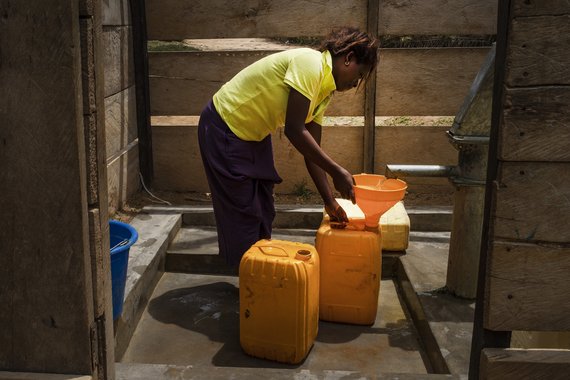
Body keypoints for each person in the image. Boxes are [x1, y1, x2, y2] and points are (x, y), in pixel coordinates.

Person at [198, 26, 379, 266]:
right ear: (348, 59)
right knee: (243, 212)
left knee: (264, 209)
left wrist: (330, 201)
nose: (357, 83)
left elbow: (311, 150)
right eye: (360, 75)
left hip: (254, 135)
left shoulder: (323, 93)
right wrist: (337, 171)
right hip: (224, 126)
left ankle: (258, 272)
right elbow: (294, 130)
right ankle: (249, 284)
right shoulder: (310, 63)